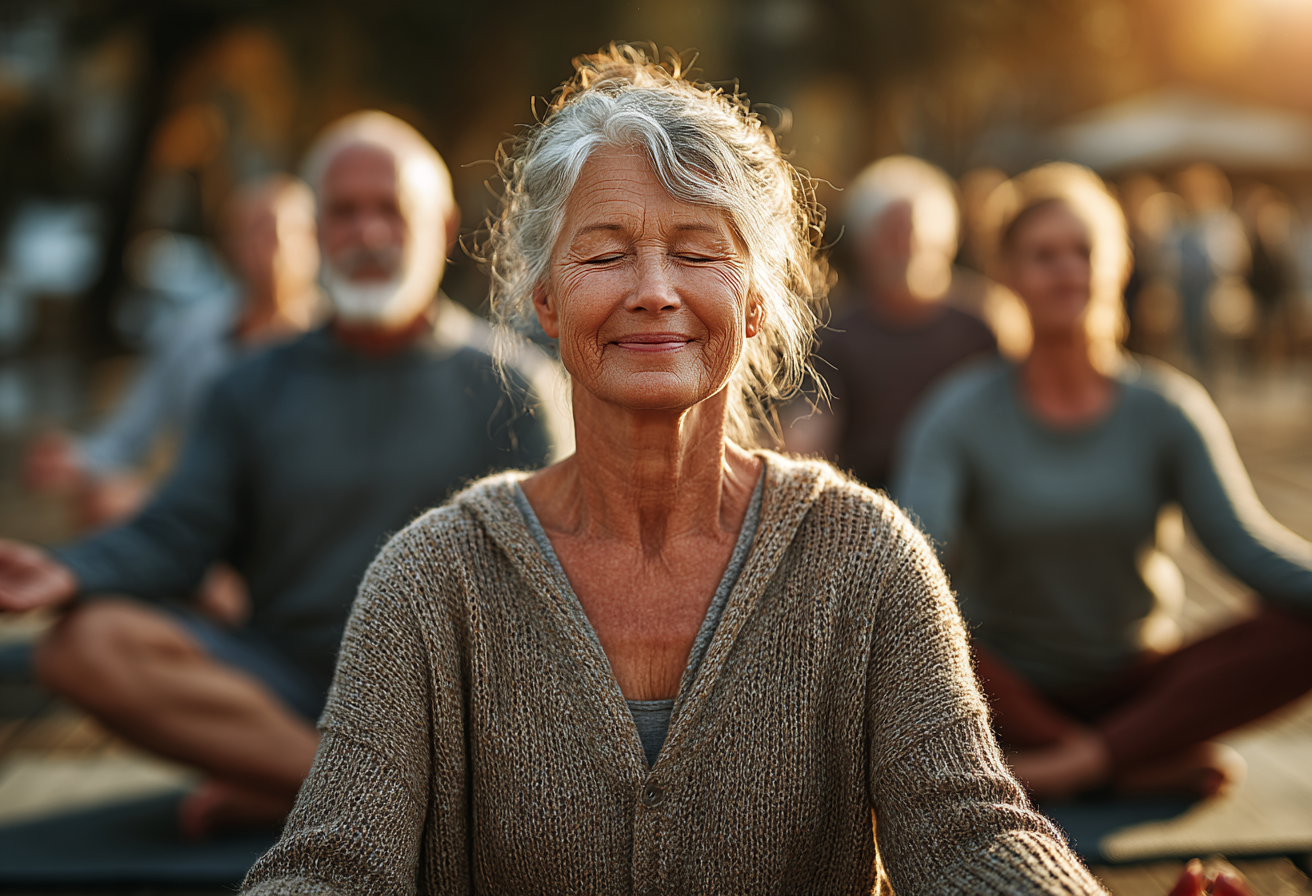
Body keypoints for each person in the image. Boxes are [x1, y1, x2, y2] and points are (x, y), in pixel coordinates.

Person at [241, 48, 1104, 896]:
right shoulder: (431, 583)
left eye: (697, 252)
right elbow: (332, 863)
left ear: (757, 302)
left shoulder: (867, 560)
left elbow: (970, 834)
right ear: (544, 299)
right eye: (607, 253)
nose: (654, 290)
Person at [0, 111, 554, 836]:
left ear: (444, 226)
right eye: (345, 213)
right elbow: (179, 532)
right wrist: (68, 572)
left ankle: (300, 789)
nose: (367, 234)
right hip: (278, 684)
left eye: (391, 210)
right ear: (318, 231)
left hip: (447, 701)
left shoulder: (514, 385)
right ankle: (354, 794)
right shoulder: (248, 386)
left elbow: (556, 589)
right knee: (81, 645)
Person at [893, 162, 1312, 801]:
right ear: (1008, 275)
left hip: (1141, 684)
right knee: (912, 623)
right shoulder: (958, 413)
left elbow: (1246, 546)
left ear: (1118, 263)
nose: (1068, 269)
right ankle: (1118, 762)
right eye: (1044, 255)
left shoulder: (1168, 408)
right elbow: (917, 560)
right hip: (1003, 688)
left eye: (1084, 251)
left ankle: (1069, 767)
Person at [24, 175, 323, 532]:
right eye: (258, 231)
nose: (275, 248)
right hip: (200, 512)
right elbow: (129, 435)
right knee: (105, 500)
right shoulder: (190, 334)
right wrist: (75, 458)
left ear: (315, 244)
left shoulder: (338, 342)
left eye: (290, 233)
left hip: (291, 521)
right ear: (232, 245)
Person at [783, 156, 997, 491]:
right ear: (864, 245)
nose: (904, 247)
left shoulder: (982, 322)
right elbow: (812, 428)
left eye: (913, 232)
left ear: (945, 240)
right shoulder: (837, 332)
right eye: (889, 233)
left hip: (974, 489)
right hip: (870, 493)